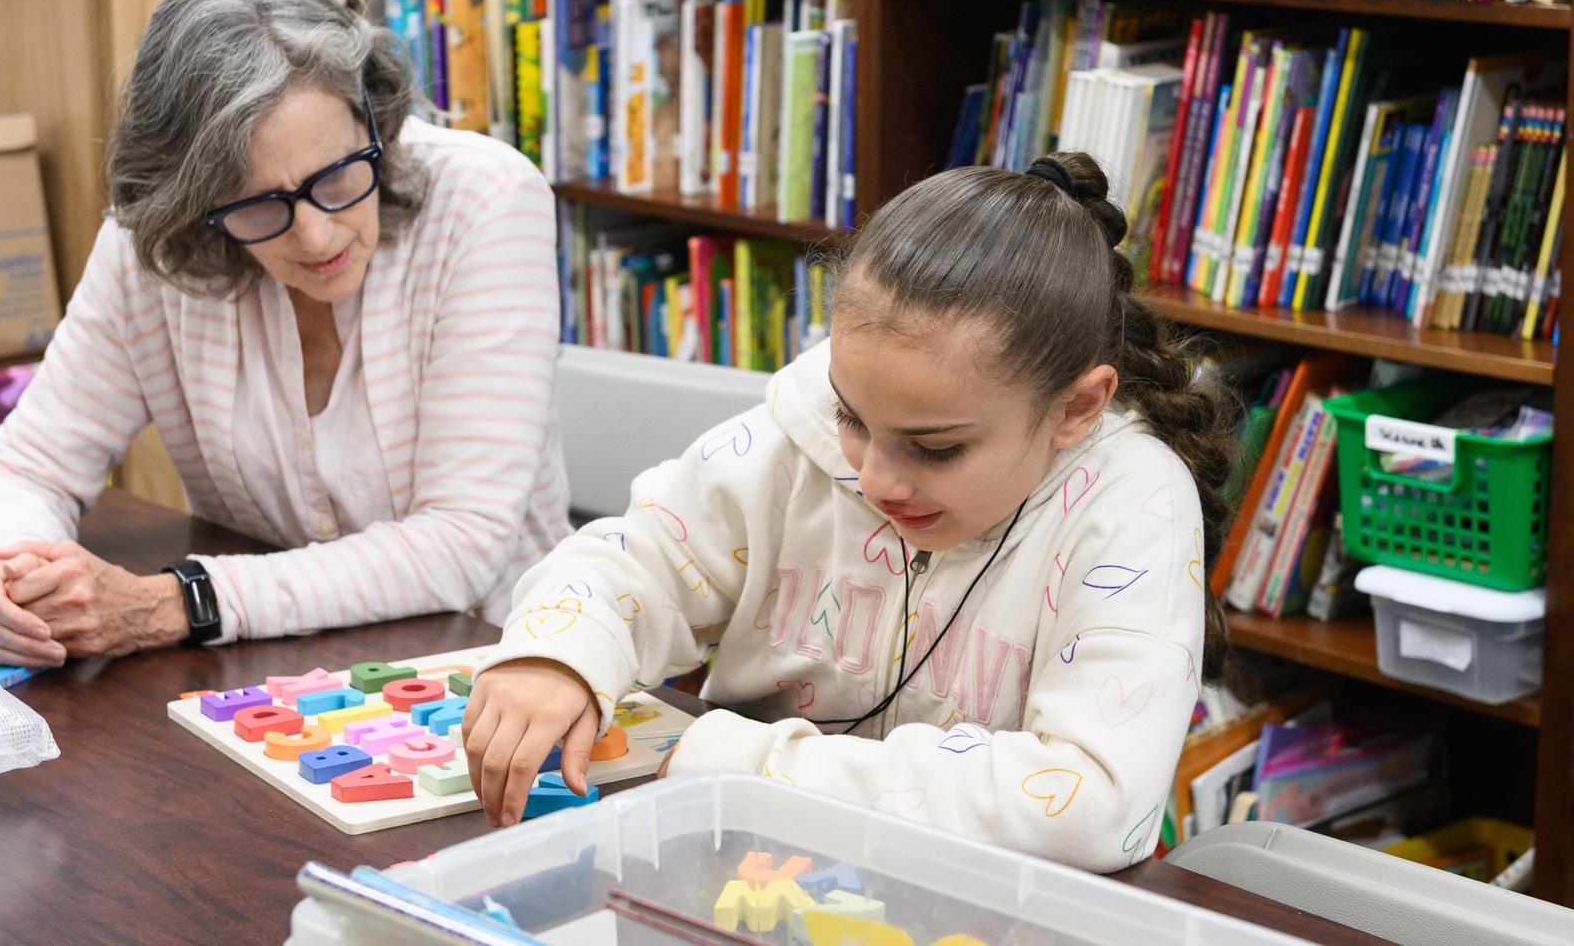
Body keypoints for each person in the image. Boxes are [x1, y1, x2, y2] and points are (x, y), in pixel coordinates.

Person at [463, 152, 1235, 873]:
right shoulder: (799, 429)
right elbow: (640, 558)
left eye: (935, 449)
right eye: (852, 417)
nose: (875, 477)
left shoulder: (1131, 505)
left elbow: (1092, 805)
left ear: (1076, 408)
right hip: (746, 871)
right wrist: (558, 654)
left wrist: (748, 766)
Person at [0, 0, 569, 668]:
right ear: (195, 203)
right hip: (265, 670)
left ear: (373, 116)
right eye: (258, 205)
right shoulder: (152, 246)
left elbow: (462, 543)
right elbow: (26, 468)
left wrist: (179, 602)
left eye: (337, 176)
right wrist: (14, 578)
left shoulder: (486, 203)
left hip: (498, 664)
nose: (316, 236)